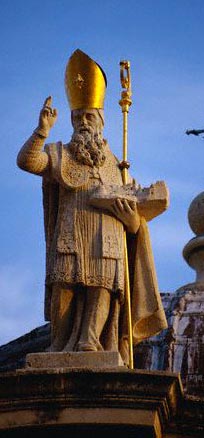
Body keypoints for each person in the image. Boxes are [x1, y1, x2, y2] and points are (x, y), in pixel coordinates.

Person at [17, 49, 167, 364]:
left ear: (100, 120)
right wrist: (42, 130)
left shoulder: (118, 166)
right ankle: (60, 345)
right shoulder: (61, 154)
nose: (83, 123)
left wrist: (133, 223)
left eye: (89, 116)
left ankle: (91, 342)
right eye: (78, 117)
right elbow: (28, 161)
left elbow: (137, 213)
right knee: (65, 289)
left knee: (102, 288)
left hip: (108, 241)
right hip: (71, 235)